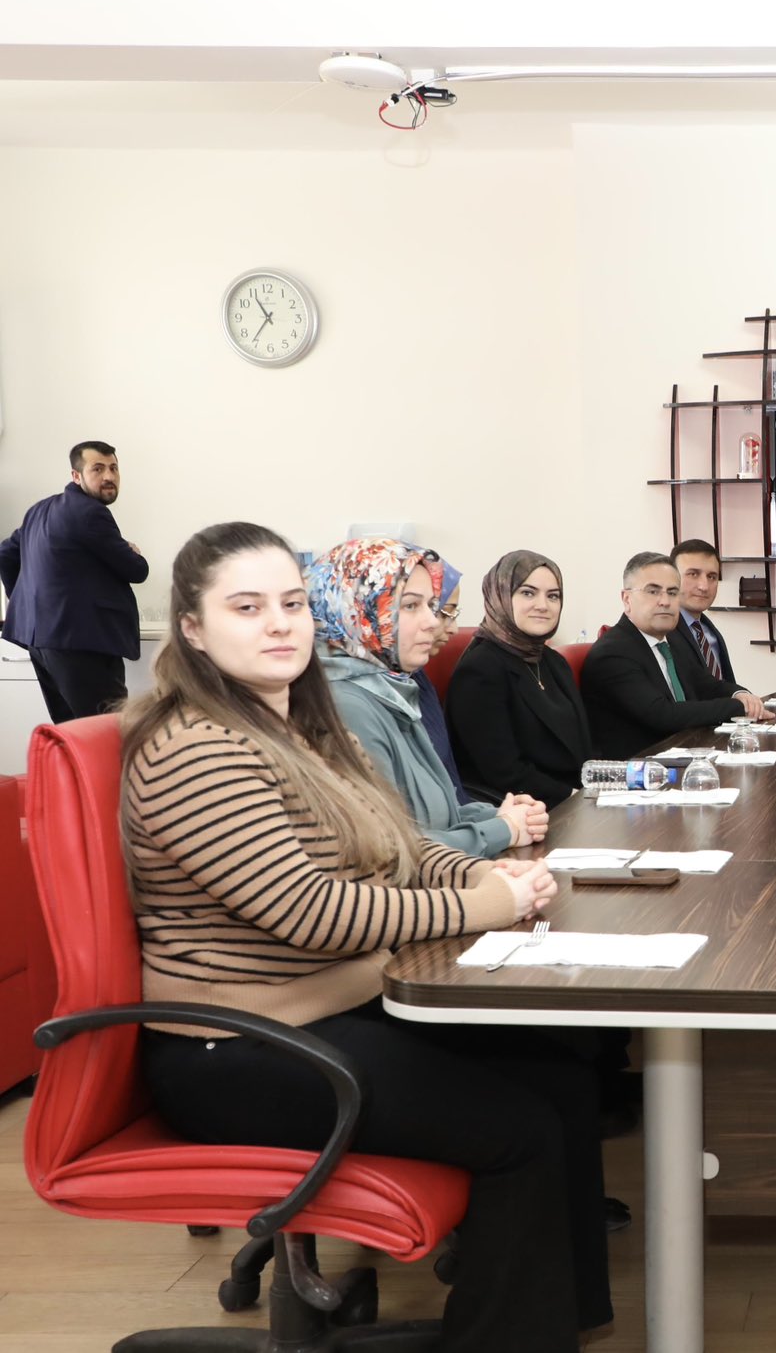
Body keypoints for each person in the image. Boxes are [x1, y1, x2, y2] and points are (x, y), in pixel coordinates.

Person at [124, 521, 610, 1352]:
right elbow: (309, 911)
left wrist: (485, 877)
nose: (279, 624)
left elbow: (405, 846)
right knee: (520, 1129)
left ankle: (560, 1324)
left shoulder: (310, 729)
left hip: (328, 1011)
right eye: (247, 607)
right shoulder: (195, 748)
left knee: (561, 1075)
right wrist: (485, 906)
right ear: (194, 630)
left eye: (291, 604)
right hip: (237, 1047)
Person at [308, 537, 547, 858]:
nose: (433, 622)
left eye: (432, 606)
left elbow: (442, 812)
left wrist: (504, 815)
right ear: (358, 610)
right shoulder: (347, 705)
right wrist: (504, 829)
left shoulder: (393, 687)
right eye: (410, 606)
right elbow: (394, 850)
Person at [0, 440, 148, 722]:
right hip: (81, 642)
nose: (109, 476)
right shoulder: (90, 512)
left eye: (114, 468)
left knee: (71, 731)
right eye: (98, 469)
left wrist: (24, 601)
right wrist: (132, 552)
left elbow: (5, 553)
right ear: (76, 475)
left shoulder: (40, 509)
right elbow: (137, 571)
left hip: (42, 641)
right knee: (106, 730)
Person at [583, 551, 770, 758]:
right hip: (639, 767)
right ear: (627, 599)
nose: (665, 601)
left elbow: (706, 685)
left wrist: (740, 694)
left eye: (672, 592)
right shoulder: (612, 653)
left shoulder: (670, 641)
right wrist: (737, 708)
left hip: (684, 754)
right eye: (653, 591)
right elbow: (662, 714)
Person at [446, 550, 593, 807]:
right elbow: (504, 772)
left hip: (575, 796)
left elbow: (582, 748)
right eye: (528, 593)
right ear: (500, 596)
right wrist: (573, 797)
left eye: (553, 596)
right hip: (522, 808)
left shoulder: (553, 661)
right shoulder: (480, 669)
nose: (543, 605)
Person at [669, 537, 768, 720]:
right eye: (693, 574)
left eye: (712, 577)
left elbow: (720, 686)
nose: (704, 586)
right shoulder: (662, 633)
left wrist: (741, 697)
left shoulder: (709, 631)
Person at [414, 555, 470, 802]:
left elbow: (451, 788)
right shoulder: (358, 700)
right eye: (444, 612)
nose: (453, 628)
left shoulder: (415, 676)